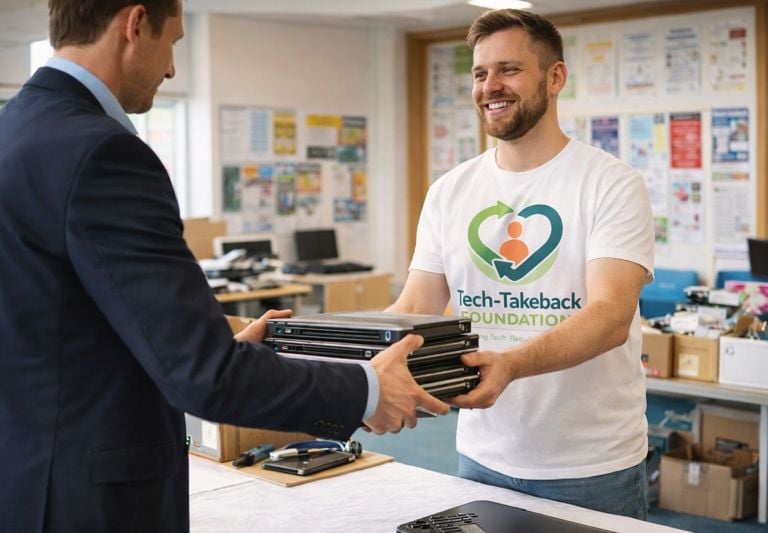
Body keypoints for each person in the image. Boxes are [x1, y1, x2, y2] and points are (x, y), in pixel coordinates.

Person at [0, 1, 449, 531]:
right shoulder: (105, 154)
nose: (170, 67)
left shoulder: (16, 130)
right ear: (135, 24)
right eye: (173, 42)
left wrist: (221, 350)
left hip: (26, 475)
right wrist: (366, 388)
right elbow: (204, 377)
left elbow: (55, 329)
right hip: (89, 498)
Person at [388, 9, 654, 519]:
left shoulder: (610, 183)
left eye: (508, 69)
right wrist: (330, 349)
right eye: (480, 73)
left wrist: (511, 365)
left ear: (555, 77)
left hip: (590, 465)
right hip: (482, 452)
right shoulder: (449, 191)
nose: (491, 86)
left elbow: (610, 317)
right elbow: (416, 305)